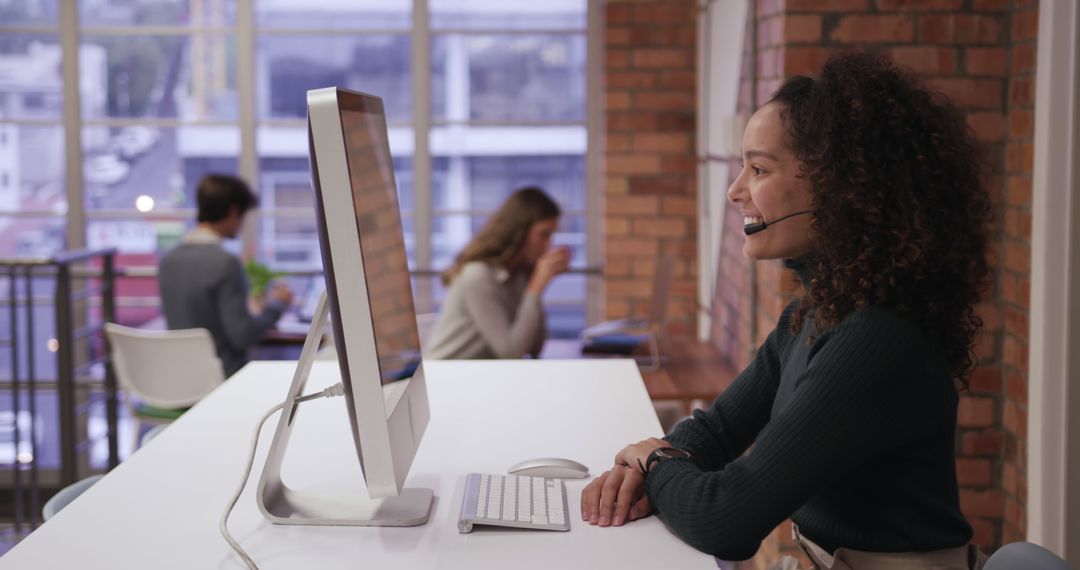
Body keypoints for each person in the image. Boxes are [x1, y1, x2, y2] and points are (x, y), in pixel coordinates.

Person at [580, 52, 994, 569]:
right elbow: (718, 429)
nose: (735, 191)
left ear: (841, 188)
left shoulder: (878, 340)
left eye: (758, 169)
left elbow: (726, 521)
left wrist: (655, 461)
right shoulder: (815, 313)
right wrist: (655, 463)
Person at [158, 174, 294, 377]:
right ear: (233, 212)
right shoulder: (225, 263)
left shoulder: (168, 261)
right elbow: (244, 335)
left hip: (178, 380)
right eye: (244, 216)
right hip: (223, 379)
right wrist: (278, 304)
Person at [425, 186, 570, 359]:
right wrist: (536, 286)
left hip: (481, 374)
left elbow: (535, 348)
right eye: (543, 234)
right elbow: (510, 352)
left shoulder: (519, 274)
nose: (548, 244)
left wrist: (535, 290)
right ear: (520, 232)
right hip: (445, 377)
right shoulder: (478, 275)